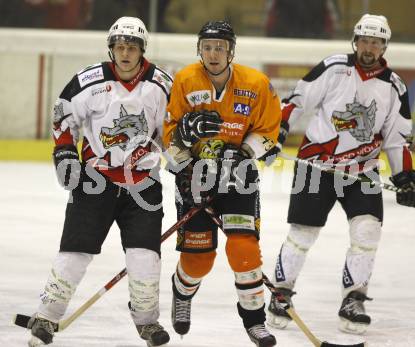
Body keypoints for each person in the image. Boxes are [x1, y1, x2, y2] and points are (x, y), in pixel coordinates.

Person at [266, 14, 415, 335]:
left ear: (385, 46)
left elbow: (398, 139)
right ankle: (280, 293)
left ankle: (354, 299)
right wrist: (277, 133)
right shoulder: (334, 67)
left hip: (362, 173)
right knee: (302, 234)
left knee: (367, 233)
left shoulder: (394, 86)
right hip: (317, 167)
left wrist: (406, 177)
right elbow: (296, 102)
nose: (369, 48)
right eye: (365, 41)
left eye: (376, 42)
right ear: (356, 41)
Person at [26, 16, 172, 347]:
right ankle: (46, 316)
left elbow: (171, 133)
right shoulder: (88, 80)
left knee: (144, 257)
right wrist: (64, 153)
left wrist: (185, 160)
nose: (125, 53)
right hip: (95, 179)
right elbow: (63, 115)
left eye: (131, 47)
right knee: (75, 251)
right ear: (111, 49)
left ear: (141, 50)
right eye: (119, 46)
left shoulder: (162, 85)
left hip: (143, 183)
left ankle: (148, 323)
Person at [162, 21, 281, 346]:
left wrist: (244, 151)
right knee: (198, 260)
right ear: (199, 49)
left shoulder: (256, 84)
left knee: (244, 249)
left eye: (220, 48)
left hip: (239, 178)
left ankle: (255, 321)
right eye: (207, 47)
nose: (213, 54)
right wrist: (183, 160)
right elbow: (169, 131)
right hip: (195, 178)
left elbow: (270, 130)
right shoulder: (185, 80)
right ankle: (182, 292)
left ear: (231, 51)